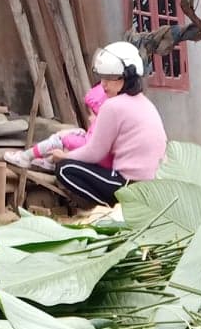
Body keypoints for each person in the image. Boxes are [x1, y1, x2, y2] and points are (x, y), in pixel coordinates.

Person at [51, 42, 167, 207]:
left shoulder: (112, 106)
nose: (103, 84)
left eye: (110, 78)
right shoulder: (145, 103)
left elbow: (94, 153)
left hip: (130, 185)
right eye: (102, 77)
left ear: (126, 77)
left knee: (64, 168)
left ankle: (114, 209)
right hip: (157, 186)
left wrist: (64, 156)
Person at [9, 82, 108, 172]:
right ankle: (49, 161)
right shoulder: (106, 125)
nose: (90, 118)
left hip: (90, 165)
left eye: (93, 114)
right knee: (75, 133)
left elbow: (88, 146)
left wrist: (66, 138)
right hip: (89, 161)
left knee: (57, 141)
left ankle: (26, 157)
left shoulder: (103, 127)